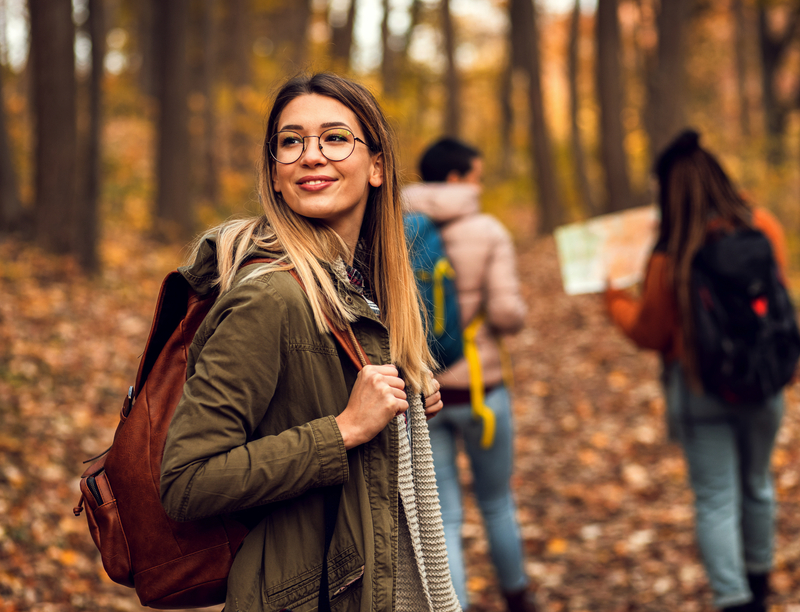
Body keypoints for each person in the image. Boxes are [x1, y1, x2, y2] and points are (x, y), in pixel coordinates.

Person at [159, 73, 462, 612]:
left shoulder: (360, 288)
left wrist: (405, 403)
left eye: (336, 137)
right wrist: (343, 430)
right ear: (275, 175)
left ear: (377, 166)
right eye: (291, 141)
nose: (311, 155)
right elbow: (187, 481)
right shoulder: (269, 297)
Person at [604, 129, 787, 612]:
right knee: (759, 485)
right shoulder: (763, 227)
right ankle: (760, 585)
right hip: (764, 384)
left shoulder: (670, 254)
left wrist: (614, 298)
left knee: (716, 499)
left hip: (700, 388)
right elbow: (778, 299)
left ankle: (735, 601)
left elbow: (651, 334)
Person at [402, 138, 534, 612]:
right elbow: (506, 315)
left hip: (426, 393)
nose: (479, 182)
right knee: (497, 501)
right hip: (483, 392)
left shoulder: (397, 229)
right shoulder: (488, 230)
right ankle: (517, 597)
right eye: (476, 174)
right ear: (457, 178)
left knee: (446, 518)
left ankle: (451, 605)